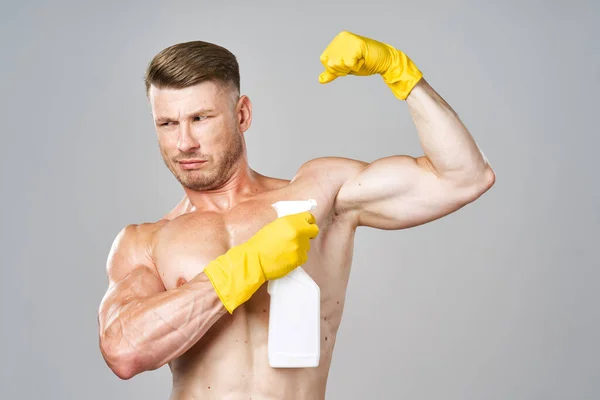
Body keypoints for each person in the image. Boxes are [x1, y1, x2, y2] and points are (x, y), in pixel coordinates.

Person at [97, 30, 495, 399]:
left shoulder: (316, 194)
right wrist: (246, 266)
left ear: (242, 115)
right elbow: (124, 350)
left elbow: (464, 178)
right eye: (167, 124)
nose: (184, 142)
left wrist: (401, 73)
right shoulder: (146, 242)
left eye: (200, 118)